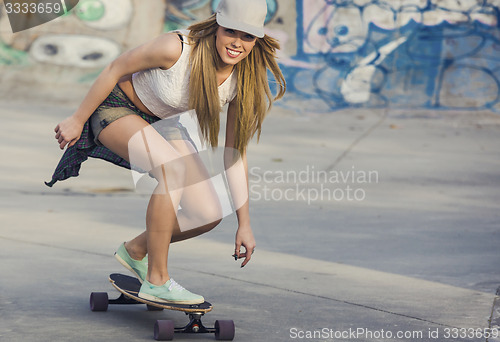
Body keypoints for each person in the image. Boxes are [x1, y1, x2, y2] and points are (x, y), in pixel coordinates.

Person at [46, 0, 285, 304]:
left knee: (207, 213)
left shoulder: (243, 79)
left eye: (248, 36)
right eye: (230, 31)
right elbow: (114, 67)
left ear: (257, 40)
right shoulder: (177, 48)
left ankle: (135, 250)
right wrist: (77, 118)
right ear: (216, 27)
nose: (237, 42)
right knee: (173, 170)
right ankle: (157, 280)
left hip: (162, 123)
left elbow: (234, 153)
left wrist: (245, 224)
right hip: (116, 108)